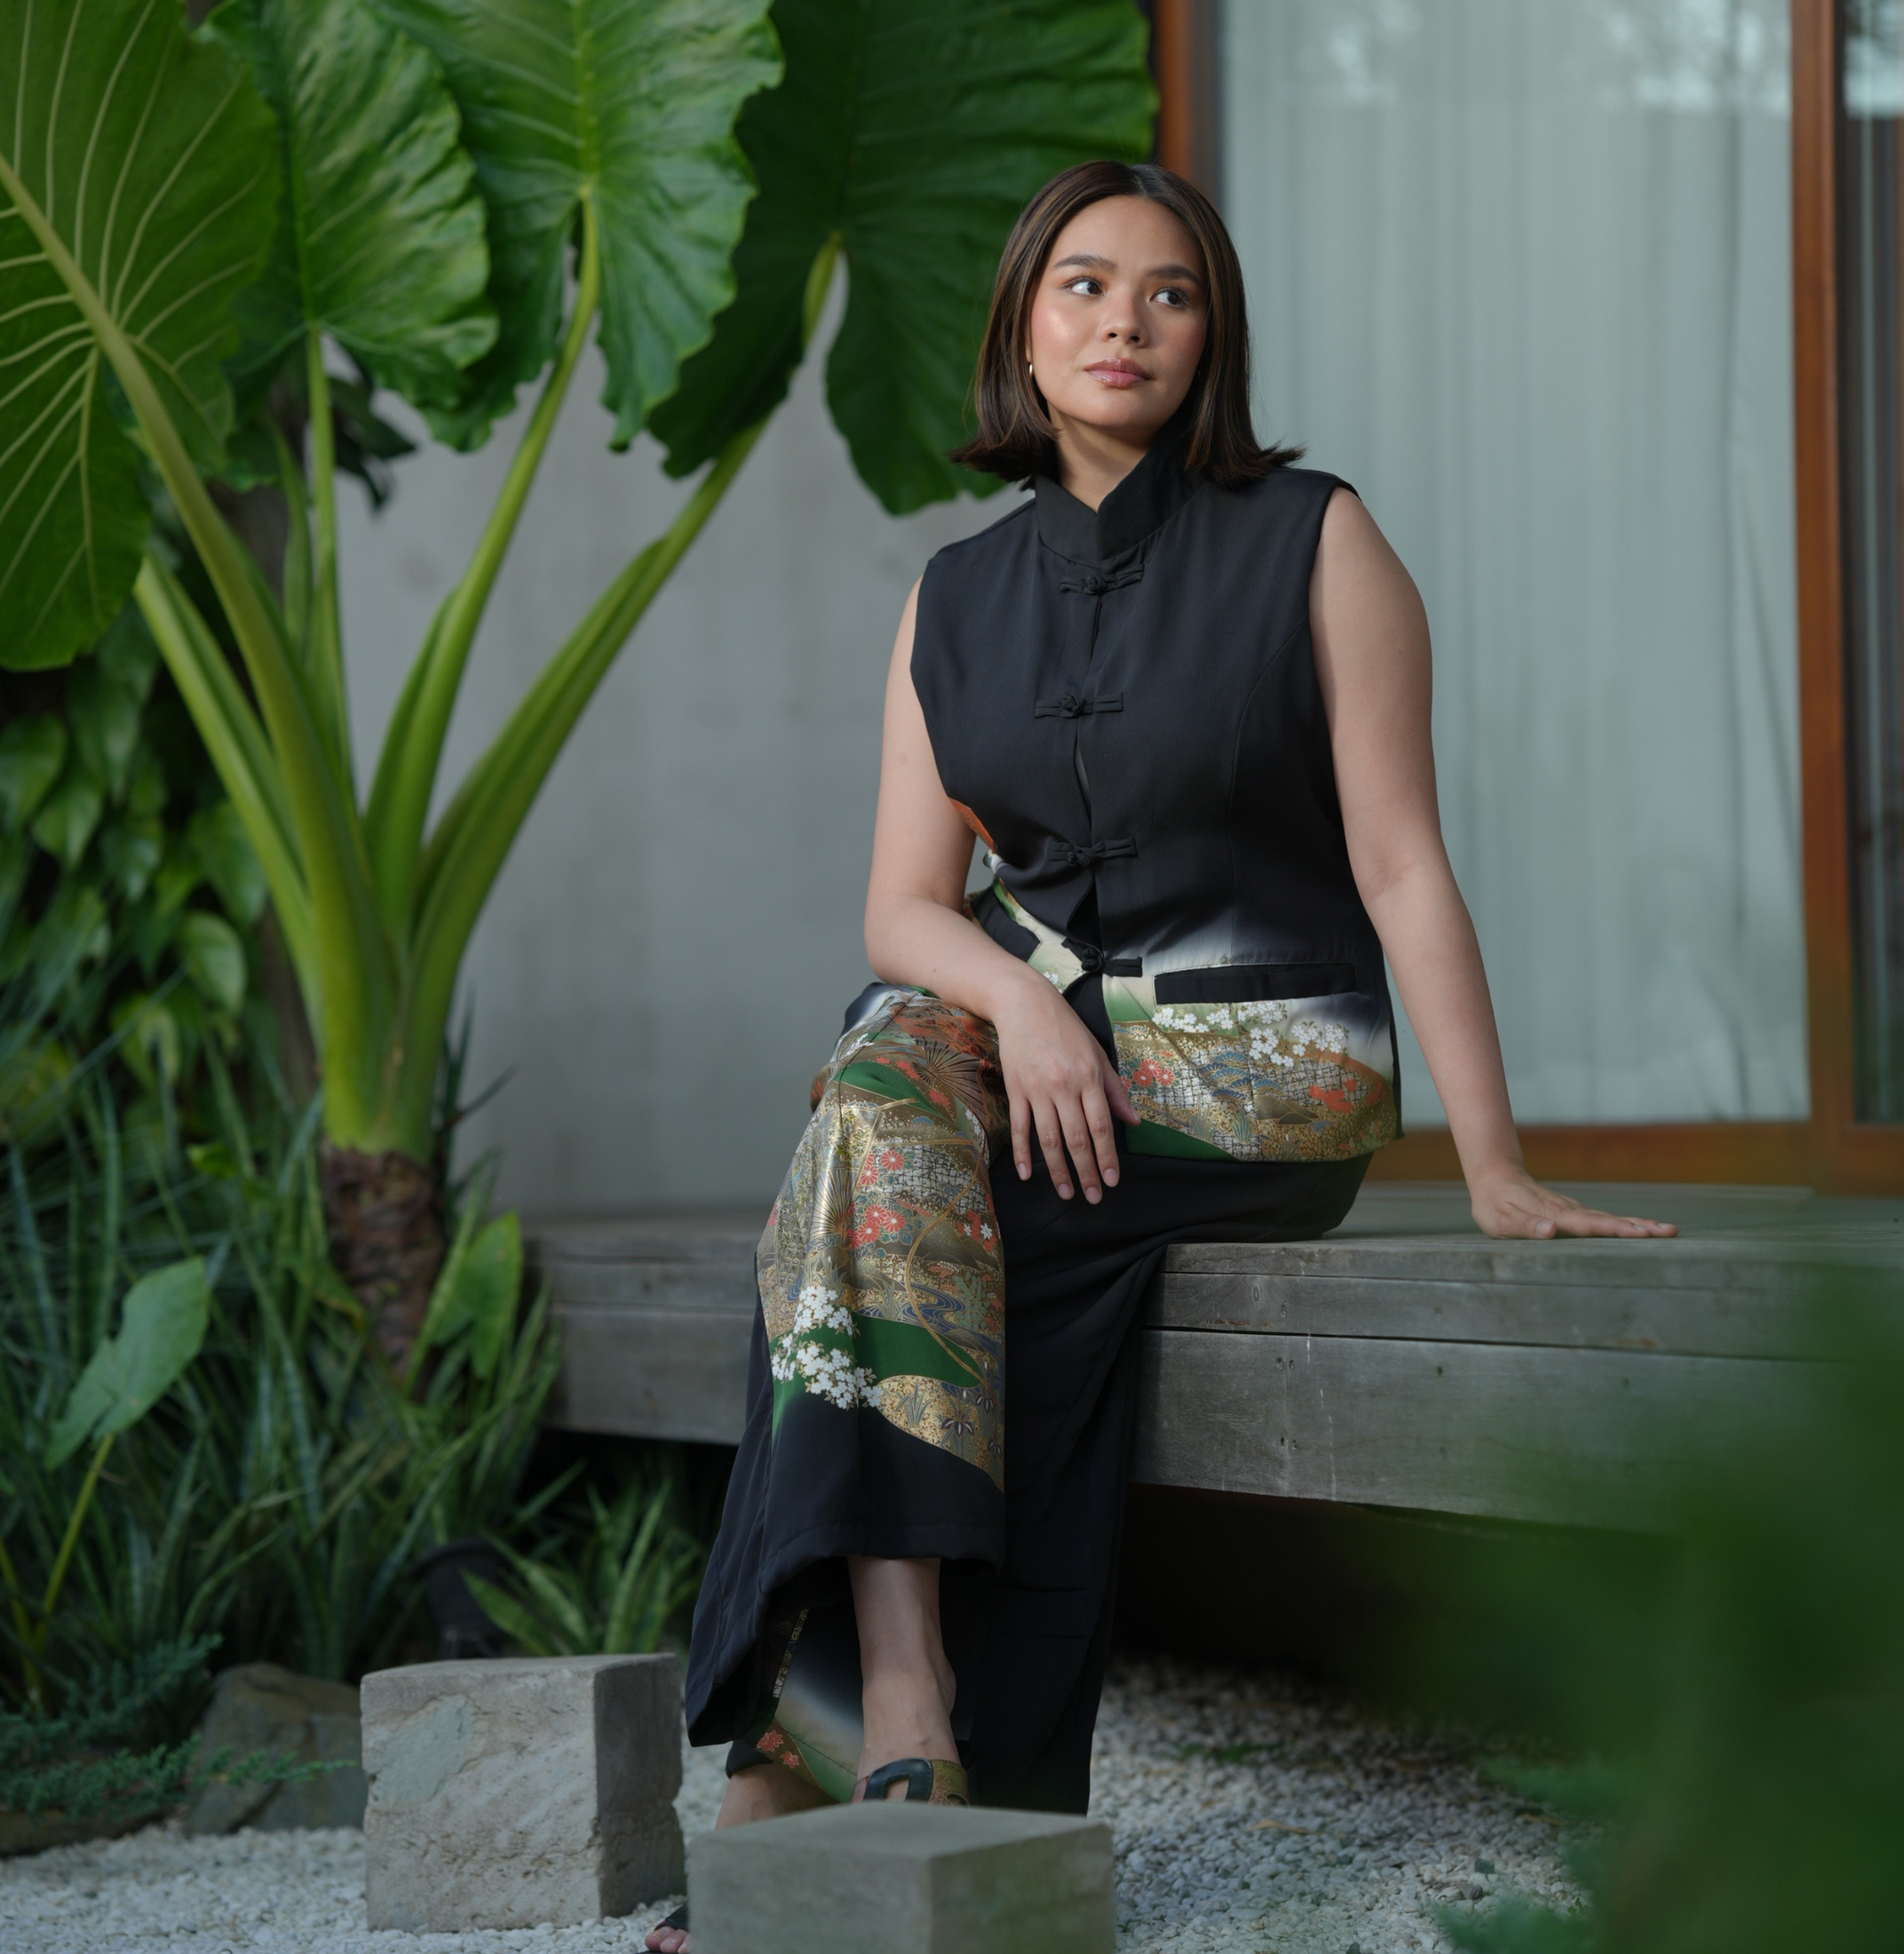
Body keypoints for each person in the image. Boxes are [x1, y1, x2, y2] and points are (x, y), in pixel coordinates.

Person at [644, 159, 1671, 1954]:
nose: (1124, 321)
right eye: (1084, 285)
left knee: (857, 1186)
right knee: (880, 1101)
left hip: (1263, 1067)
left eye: (1168, 292)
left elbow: (1401, 865)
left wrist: (1493, 1165)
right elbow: (903, 907)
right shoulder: (951, 597)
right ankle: (903, 1707)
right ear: (1022, 328)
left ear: (1212, 336)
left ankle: (795, 1780)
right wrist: (1026, 1005)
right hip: (1037, 1060)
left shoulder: (1317, 537)